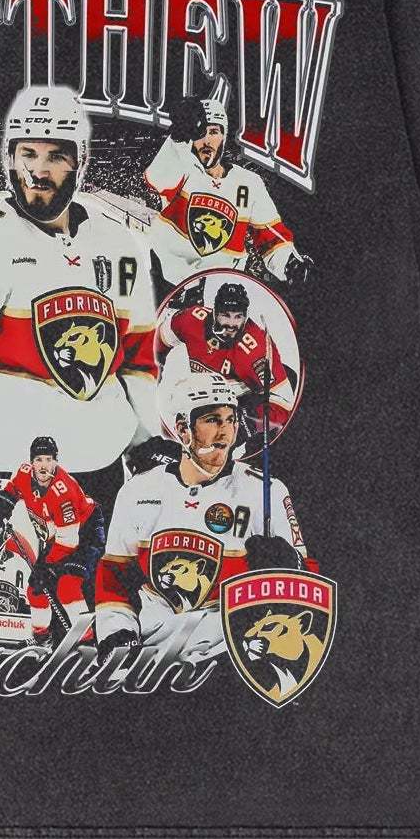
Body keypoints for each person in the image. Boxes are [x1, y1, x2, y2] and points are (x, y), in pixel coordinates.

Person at [0, 86, 158, 476]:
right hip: (8, 456)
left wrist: (145, 437)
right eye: (28, 154)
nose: (39, 172)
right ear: (10, 158)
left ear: (80, 161)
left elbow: (138, 358)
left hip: (103, 454)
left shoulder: (120, 242)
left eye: (56, 156)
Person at [94, 374, 309, 663]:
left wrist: (289, 567)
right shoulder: (137, 491)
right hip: (151, 655)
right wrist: (117, 631)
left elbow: (307, 585)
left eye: (231, 420)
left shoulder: (266, 491)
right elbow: (113, 576)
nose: (225, 432)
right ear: (183, 429)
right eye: (212, 420)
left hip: (232, 653)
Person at [143, 93, 314, 290]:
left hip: (220, 289)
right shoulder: (182, 167)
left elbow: (270, 234)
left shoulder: (249, 182)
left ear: (224, 136)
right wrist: (178, 137)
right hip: (170, 285)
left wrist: (289, 262)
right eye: (199, 133)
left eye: (214, 132)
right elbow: (156, 179)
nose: (206, 140)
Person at [158, 278, 298, 451]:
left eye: (238, 316)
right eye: (225, 315)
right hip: (210, 394)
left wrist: (249, 421)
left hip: (245, 400)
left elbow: (284, 405)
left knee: (213, 450)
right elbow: (158, 339)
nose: (232, 324)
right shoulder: (190, 319)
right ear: (215, 312)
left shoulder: (254, 351)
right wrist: (153, 366)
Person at [0, 435, 105, 643]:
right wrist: (4, 500)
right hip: (58, 538)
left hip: (85, 533)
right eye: (38, 460)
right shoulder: (24, 473)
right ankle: (42, 638)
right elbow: (15, 487)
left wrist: (47, 566)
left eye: (48, 459)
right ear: (31, 462)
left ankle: (88, 640)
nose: (43, 466)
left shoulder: (64, 493)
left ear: (56, 461)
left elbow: (69, 542)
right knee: (35, 589)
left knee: (67, 586)